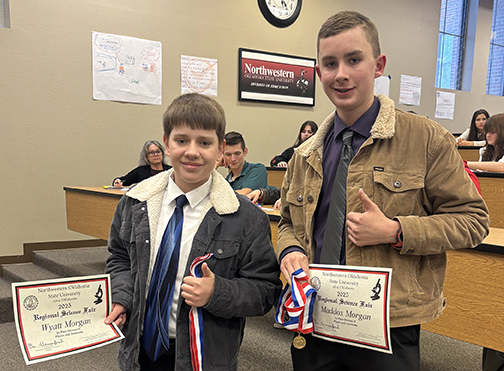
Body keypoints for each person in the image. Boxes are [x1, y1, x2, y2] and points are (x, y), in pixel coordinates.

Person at [277, 11, 489, 371]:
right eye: (330, 63)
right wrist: (291, 250)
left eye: (354, 59)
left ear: (379, 65)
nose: (341, 74)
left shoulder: (425, 139)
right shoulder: (305, 152)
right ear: (318, 73)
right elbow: (286, 222)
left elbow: (473, 221)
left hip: (387, 322)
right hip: (315, 312)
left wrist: (396, 230)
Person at [105, 93, 281, 371]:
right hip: (138, 349)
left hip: (203, 355)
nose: (192, 152)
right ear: (166, 143)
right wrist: (122, 296)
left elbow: (265, 291)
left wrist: (217, 292)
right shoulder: (134, 203)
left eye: (205, 142)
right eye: (182, 140)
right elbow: (119, 258)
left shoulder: (246, 218)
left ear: (220, 150)